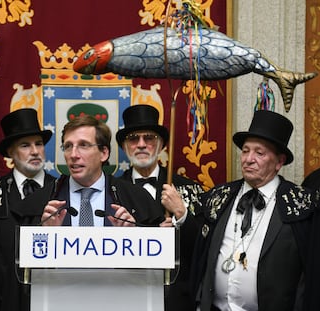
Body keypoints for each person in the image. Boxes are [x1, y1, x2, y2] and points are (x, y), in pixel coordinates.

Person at [186, 110, 314, 311]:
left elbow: (310, 275)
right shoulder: (219, 196)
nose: (248, 159)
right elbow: (197, 251)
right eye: (245, 151)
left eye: (259, 153)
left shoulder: (301, 205)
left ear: (279, 162)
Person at [0, 108, 56, 311]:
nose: (34, 151)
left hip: (50, 297)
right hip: (1, 300)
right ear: (11, 153)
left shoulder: (62, 194)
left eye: (38, 144)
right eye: (25, 145)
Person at [115, 104, 203, 311]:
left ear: (162, 144)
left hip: (176, 298)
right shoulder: (111, 191)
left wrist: (181, 216)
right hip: (126, 295)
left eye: (149, 138)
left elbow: (203, 247)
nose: (142, 144)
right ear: (124, 147)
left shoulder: (188, 189)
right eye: (134, 138)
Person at [41, 114, 164, 227]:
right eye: (68, 146)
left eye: (83, 145)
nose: (73, 155)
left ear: (104, 153)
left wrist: (132, 235)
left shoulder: (137, 197)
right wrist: (45, 232)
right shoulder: (43, 199)